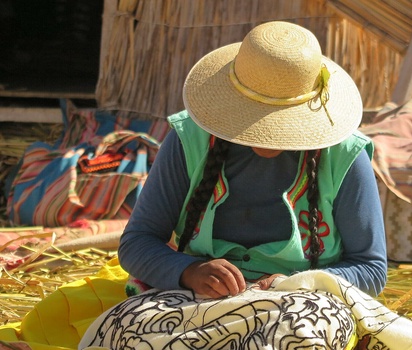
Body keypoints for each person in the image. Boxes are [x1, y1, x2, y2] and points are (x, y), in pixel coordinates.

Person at [79, 21, 395, 350]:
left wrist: (298, 284)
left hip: (302, 305)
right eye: (256, 115)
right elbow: (137, 243)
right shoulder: (190, 142)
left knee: (297, 340)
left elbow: (370, 268)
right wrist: (189, 270)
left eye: (281, 119)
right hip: (193, 298)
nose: (268, 131)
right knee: (126, 334)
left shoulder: (344, 156)